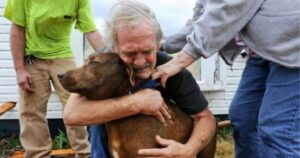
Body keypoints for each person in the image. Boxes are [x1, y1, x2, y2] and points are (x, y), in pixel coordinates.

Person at [63, 0, 216, 158]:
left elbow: (206, 118)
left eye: (147, 51)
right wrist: (137, 103)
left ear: (157, 44)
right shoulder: (105, 63)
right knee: (97, 117)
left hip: (160, 138)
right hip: (113, 140)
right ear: (114, 49)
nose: (140, 62)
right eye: (130, 53)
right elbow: (72, 114)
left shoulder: (174, 70)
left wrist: (188, 150)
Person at [152, 0, 300, 157]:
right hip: (263, 53)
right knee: (244, 119)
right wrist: (158, 46)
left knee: (279, 129)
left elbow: (229, 6)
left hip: (292, 48)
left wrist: (182, 59)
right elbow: (201, 20)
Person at [4, 0, 104, 157]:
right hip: (33, 58)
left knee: (76, 104)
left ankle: (85, 154)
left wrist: (113, 56)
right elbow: (17, 28)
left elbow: (90, 31)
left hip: (63, 55)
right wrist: (20, 70)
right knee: (31, 112)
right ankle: (38, 154)